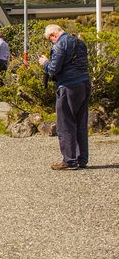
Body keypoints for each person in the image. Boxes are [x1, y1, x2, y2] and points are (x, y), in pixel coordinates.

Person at [38, 24, 91, 170]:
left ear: (53, 35)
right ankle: (82, 159)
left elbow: (54, 69)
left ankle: (69, 160)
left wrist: (45, 63)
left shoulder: (60, 44)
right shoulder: (80, 43)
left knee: (65, 123)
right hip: (84, 83)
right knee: (81, 122)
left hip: (68, 86)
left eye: (50, 39)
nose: (51, 42)